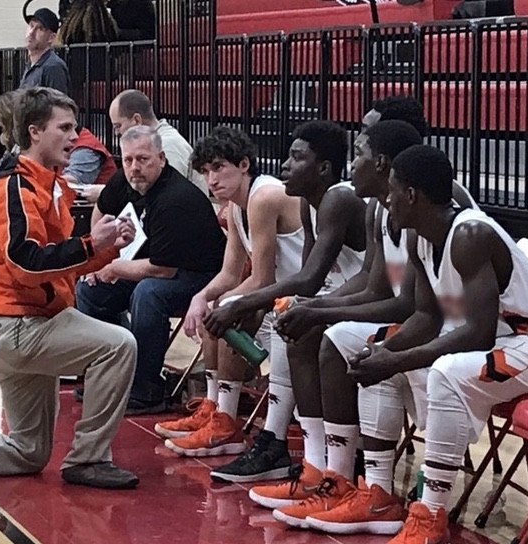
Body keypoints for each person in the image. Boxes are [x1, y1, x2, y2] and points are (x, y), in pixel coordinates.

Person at [340, 144, 528, 544]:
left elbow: (478, 334)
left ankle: (431, 518)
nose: (386, 200)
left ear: (411, 194)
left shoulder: (470, 234)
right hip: (502, 344)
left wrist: (397, 358)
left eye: (392, 191)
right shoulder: (419, 238)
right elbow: (427, 318)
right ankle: (376, 492)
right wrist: (382, 352)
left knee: (446, 369)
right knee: (379, 359)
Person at [0, 87, 139, 489]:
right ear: (35, 132)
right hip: (21, 325)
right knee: (119, 344)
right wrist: (94, 244)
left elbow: (56, 260)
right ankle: (88, 458)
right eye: (66, 128)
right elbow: (26, 262)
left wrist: (106, 251)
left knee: (28, 451)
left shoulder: (50, 187)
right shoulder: (16, 188)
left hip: (22, 324)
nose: (75, 137)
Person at [254, 120, 425, 523]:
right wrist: (314, 308)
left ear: (382, 163)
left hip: (463, 325)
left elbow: (401, 302)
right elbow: (370, 284)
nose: (353, 165)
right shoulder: (379, 211)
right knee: (307, 325)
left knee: (340, 338)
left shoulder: (364, 202)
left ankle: (375, 488)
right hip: (406, 313)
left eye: (360, 154)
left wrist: (315, 307)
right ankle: (326, 472)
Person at [204, 120, 369, 484]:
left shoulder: (339, 198)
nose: (284, 166)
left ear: (323, 168)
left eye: (296, 158)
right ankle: (293, 451)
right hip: (341, 296)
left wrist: (245, 304)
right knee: (291, 317)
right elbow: (309, 283)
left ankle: (314, 455)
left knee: (299, 324)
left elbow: (307, 279)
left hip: (371, 301)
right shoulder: (312, 204)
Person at [156, 126, 303, 459]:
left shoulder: (264, 197)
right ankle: (215, 409)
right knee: (214, 307)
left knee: (227, 309)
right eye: (206, 171)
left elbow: (263, 279)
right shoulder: (236, 206)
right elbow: (229, 273)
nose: (211, 179)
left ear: (244, 165)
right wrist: (201, 298)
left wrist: (221, 303)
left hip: (304, 293)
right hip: (281, 296)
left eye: (219, 167)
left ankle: (226, 421)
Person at [75, 125, 226, 415]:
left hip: (200, 276)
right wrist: (98, 257)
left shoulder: (175, 199)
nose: (135, 168)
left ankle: (147, 390)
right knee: (90, 289)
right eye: (129, 160)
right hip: (151, 265)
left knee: (149, 294)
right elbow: (102, 210)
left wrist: (115, 267)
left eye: (143, 159)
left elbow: (163, 270)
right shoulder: (125, 180)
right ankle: (115, 372)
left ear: (162, 158)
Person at [81, 89, 207, 204]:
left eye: (118, 126)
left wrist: (104, 193)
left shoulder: (168, 144)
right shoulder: (162, 140)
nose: (116, 133)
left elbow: (163, 193)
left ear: (136, 120)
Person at [20, 7, 71, 95]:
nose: (31, 32)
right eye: (31, 25)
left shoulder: (53, 67)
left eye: (40, 28)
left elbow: (58, 105)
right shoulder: (31, 65)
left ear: (51, 38)